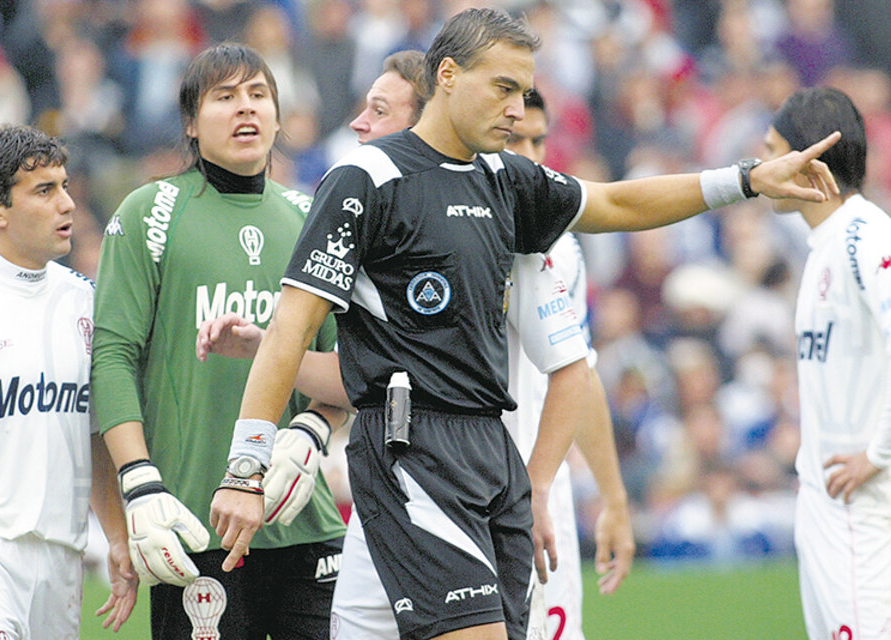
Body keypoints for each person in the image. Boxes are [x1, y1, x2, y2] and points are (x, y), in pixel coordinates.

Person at [209, 9, 840, 640]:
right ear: (448, 75)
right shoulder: (368, 178)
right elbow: (289, 331)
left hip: (495, 454)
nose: (517, 108)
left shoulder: (506, 181)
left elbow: (615, 201)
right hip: (412, 452)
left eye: (524, 90)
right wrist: (246, 469)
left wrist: (747, 180)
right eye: (503, 87)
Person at [199, 64, 635, 640]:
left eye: (380, 110)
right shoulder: (378, 212)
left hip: (500, 495)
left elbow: (577, 372)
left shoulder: (524, 229)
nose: (360, 124)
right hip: (398, 478)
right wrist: (263, 353)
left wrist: (576, 490)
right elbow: (367, 377)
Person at [91, 43, 348, 640]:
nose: (246, 110)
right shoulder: (149, 211)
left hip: (304, 527)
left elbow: (346, 366)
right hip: (190, 524)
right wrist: (140, 484)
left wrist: (310, 431)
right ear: (189, 121)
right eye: (225, 97)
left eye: (259, 95)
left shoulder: (310, 216)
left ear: (280, 118)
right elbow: (111, 358)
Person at [0, 124, 137, 639]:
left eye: (65, 186)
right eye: (44, 191)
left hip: (61, 555)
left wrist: (116, 535)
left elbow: (94, 436)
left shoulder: (87, 299)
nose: (67, 204)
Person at [503, 88, 633, 640]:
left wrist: (614, 499)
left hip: (543, 488)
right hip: (464, 481)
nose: (531, 156)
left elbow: (580, 372)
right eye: (515, 140)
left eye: (539, 140)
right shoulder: (446, 229)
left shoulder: (564, 245)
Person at [762, 87, 891, 639]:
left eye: (773, 150)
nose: (761, 165)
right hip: (823, 501)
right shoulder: (822, 246)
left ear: (809, 162)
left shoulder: (866, 237)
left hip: (862, 503)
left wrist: (877, 452)